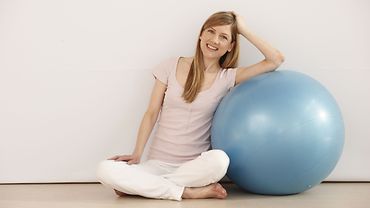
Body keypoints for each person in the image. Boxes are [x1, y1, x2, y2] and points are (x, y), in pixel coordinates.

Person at [96, 11, 284, 201]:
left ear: (230, 46)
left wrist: (243, 30)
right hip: (156, 164)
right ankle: (186, 192)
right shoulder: (170, 65)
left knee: (220, 160)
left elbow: (275, 59)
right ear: (201, 34)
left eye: (224, 37)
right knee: (105, 169)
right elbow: (151, 113)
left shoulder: (227, 77)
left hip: (194, 168)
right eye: (210, 32)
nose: (215, 40)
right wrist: (137, 153)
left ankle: (144, 187)